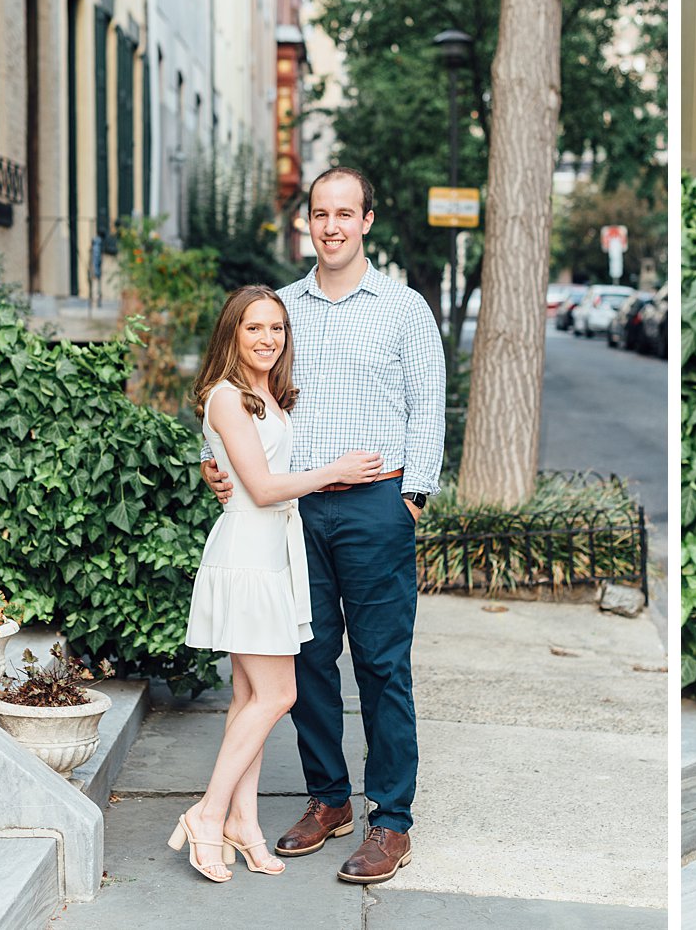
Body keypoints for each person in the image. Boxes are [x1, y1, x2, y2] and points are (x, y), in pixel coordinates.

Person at [201, 167, 446, 885]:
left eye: (345, 213)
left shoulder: (404, 309)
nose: (332, 225)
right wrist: (214, 464)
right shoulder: (283, 307)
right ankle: (328, 799)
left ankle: (391, 821)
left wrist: (413, 498)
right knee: (305, 664)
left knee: (380, 666)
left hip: (377, 507)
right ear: (307, 222)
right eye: (320, 213)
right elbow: (239, 390)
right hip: (290, 512)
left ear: (368, 220)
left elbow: (428, 408)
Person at [170, 285, 384, 883]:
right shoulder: (226, 397)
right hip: (248, 553)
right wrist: (336, 472)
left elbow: (243, 468)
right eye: (254, 328)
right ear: (231, 334)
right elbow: (262, 489)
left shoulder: (265, 393)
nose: (268, 339)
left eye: (277, 329)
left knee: (249, 700)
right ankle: (208, 815)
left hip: (272, 551)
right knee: (277, 695)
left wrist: (219, 467)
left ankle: (244, 823)